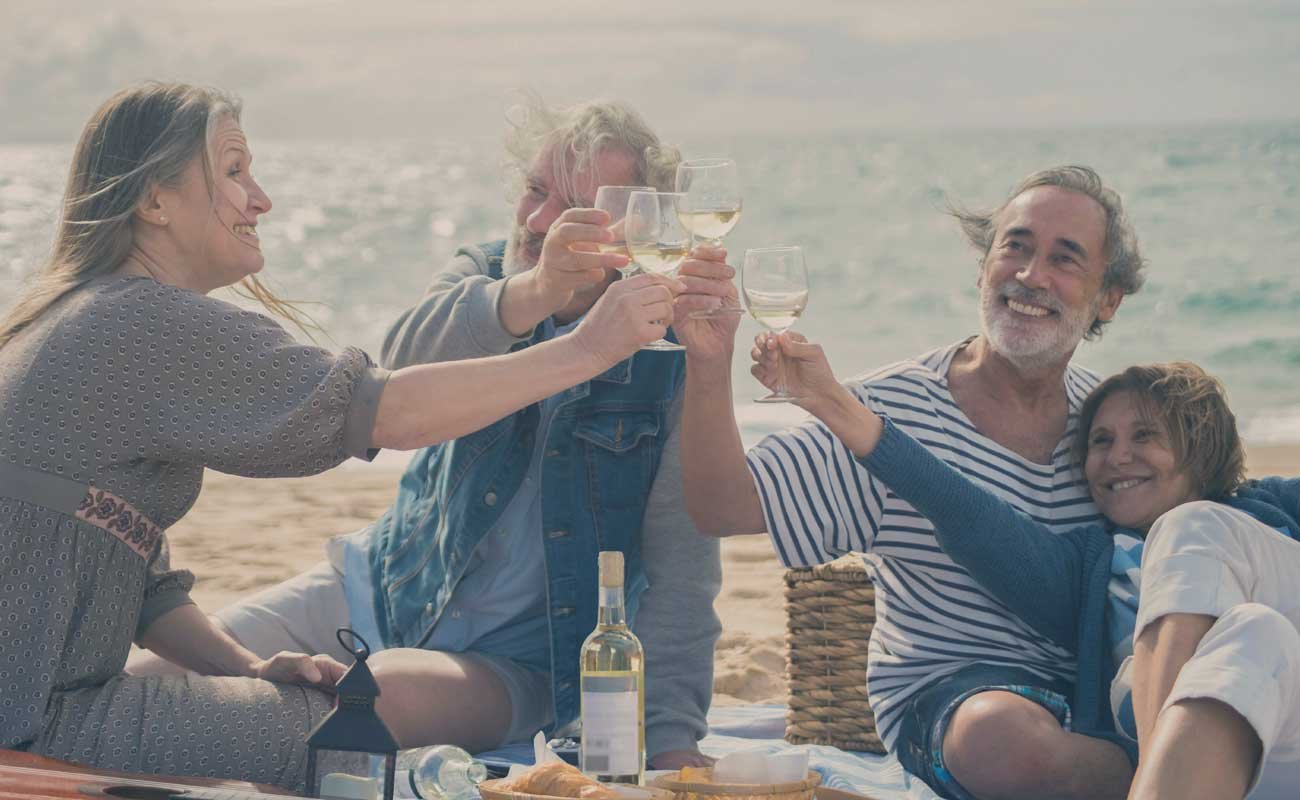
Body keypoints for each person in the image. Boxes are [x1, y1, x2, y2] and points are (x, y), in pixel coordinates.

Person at [0, 82, 680, 791]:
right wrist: (585, 351)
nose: (259, 199)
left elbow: (147, 589)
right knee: (340, 728)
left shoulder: (83, 315)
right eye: (234, 171)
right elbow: (387, 413)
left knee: (300, 703)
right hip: (39, 719)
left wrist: (248, 670)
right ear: (155, 201)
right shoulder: (140, 324)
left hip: (33, 704)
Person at [675, 166, 1146, 799]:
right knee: (1005, 740)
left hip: (1092, 688)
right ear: (983, 268)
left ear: (1108, 298)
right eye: (1016, 247)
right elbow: (721, 505)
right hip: (953, 699)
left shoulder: (1109, 423)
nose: (1032, 276)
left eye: (1065, 259)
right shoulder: (888, 411)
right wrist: (708, 365)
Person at [752, 347, 1300, 800]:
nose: (1117, 456)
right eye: (1101, 441)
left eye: (1145, 436)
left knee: (1194, 526)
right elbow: (965, 511)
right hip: (1252, 749)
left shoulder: (1257, 508)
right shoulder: (1088, 569)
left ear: (1200, 448)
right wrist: (843, 412)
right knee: (1252, 630)